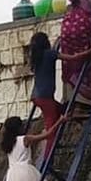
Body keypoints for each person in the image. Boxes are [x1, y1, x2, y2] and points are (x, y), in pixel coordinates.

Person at [29, 32, 63, 161]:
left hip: (37, 96)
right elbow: (68, 57)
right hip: (46, 97)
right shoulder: (49, 54)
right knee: (51, 130)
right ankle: (48, 158)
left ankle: (51, 143)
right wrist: (86, 54)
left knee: (60, 110)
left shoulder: (37, 57)